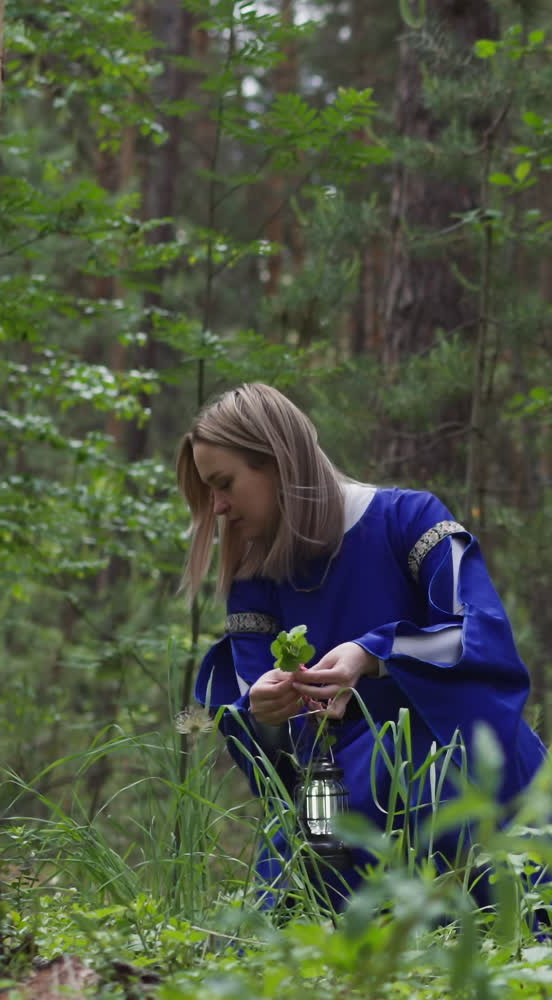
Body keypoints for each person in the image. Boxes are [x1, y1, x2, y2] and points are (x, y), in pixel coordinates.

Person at [176, 381, 548, 910]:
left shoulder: (410, 521)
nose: (216, 507)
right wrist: (266, 711)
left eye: (224, 483)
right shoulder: (256, 576)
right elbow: (264, 735)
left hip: (459, 771)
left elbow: (480, 635)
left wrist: (373, 654)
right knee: (296, 921)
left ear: (277, 461)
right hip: (337, 810)